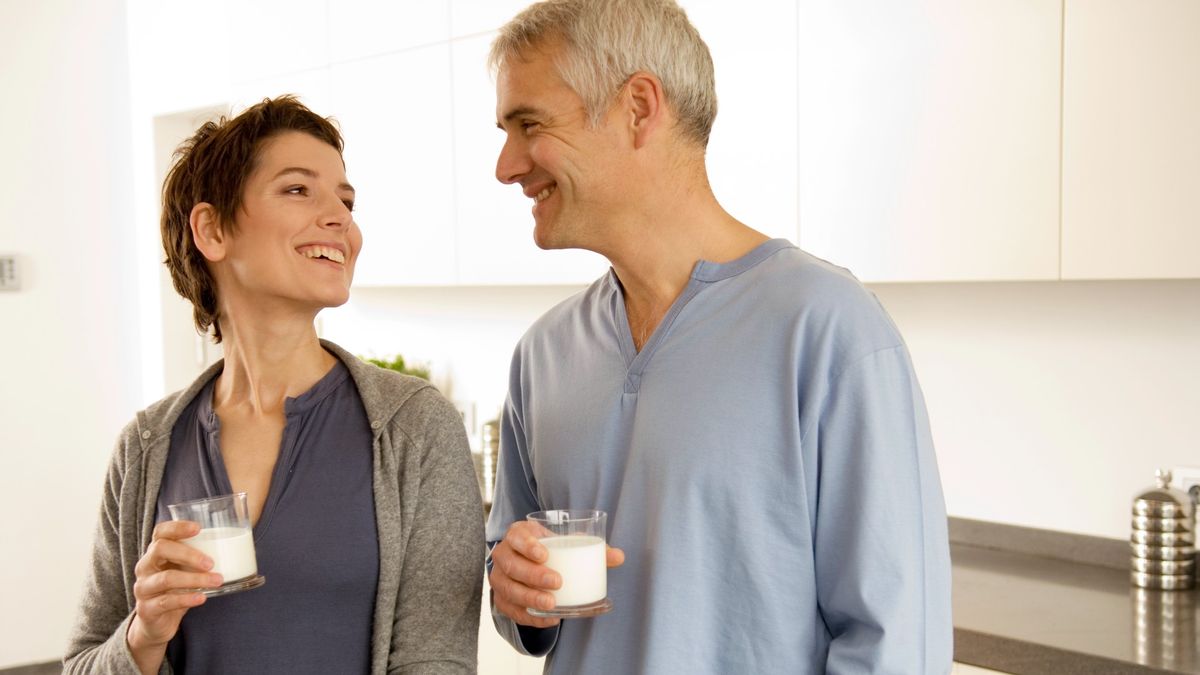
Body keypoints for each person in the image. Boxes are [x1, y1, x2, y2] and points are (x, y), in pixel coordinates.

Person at [483, 1, 953, 673]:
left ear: (639, 107)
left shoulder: (827, 330)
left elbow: (897, 642)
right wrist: (516, 588)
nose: (506, 165)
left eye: (528, 124)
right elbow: (513, 576)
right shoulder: (543, 354)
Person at [64, 96, 483, 675]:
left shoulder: (414, 425)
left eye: (346, 198)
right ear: (212, 230)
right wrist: (143, 634)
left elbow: (439, 661)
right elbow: (82, 663)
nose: (341, 217)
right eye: (297, 190)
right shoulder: (144, 448)